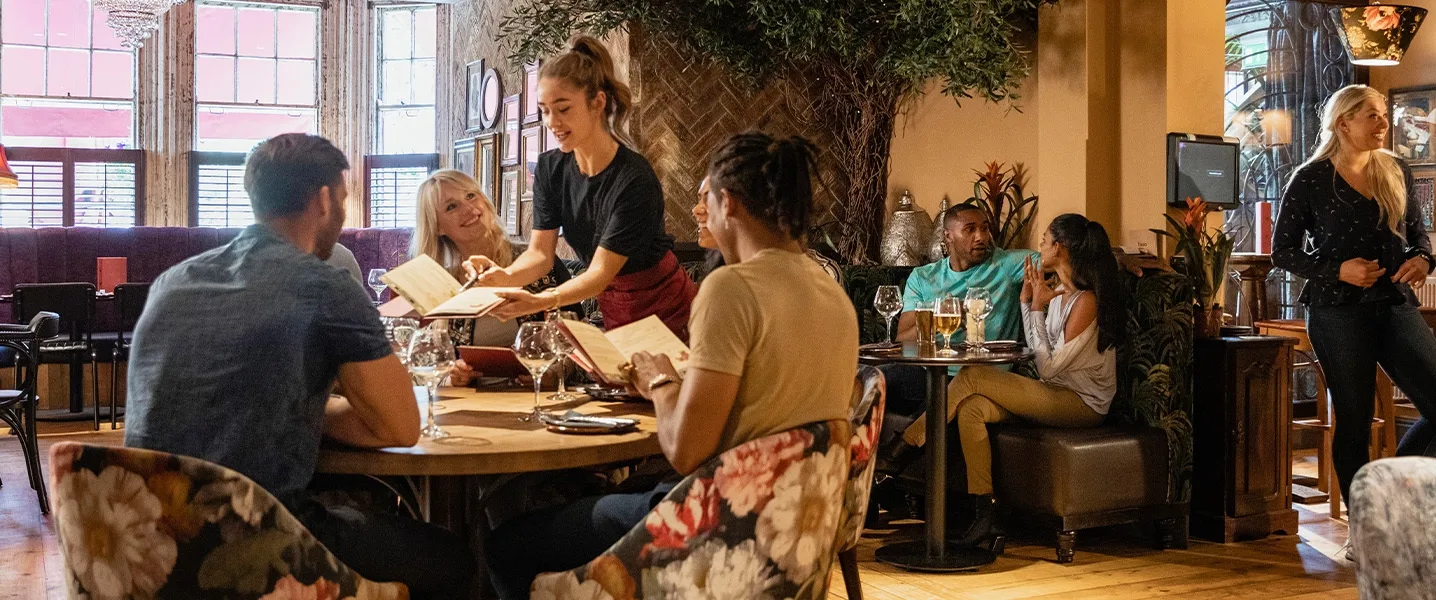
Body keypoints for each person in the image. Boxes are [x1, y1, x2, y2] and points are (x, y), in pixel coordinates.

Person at [485, 131, 858, 598]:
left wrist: (659, 378)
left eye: (708, 201)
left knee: (507, 543)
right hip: (787, 536)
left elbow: (686, 452)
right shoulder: (831, 293)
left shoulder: (731, 288)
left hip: (716, 527)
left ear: (728, 203)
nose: (703, 212)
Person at [124, 133, 475, 600]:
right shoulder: (326, 287)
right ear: (324, 200)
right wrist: (309, 410)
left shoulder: (172, 282)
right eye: (344, 199)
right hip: (253, 541)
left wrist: (288, 407)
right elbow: (400, 426)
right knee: (452, 559)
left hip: (150, 548)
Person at [909, 213, 1126, 549]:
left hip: (1082, 403)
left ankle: (907, 444)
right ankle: (986, 514)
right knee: (972, 408)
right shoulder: (1059, 293)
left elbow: (1048, 368)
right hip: (1054, 393)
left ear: (1059, 248)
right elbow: (1039, 347)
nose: (1040, 246)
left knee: (972, 374)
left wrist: (1036, 309)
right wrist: (1028, 302)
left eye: (1045, 240)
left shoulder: (1085, 301)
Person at [1271, 84, 1436, 526]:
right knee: (1355, 418)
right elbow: (1282, 251)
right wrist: (1337, 270)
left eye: (1383, 115)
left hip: (1395, 304)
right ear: (1343, 122)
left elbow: (1417, 235)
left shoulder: (1396, 169)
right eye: (1372, 115)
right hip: (1336, 310)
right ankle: (1365, 527)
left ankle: (1389, 490)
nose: (1383, 123)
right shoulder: (1310, 179)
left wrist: (1423, 259)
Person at [467, 35, 698, 338]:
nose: (552, 121)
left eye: (563, 109)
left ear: (597, 103)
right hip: (615, 307)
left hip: (670, 309)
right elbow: (540, 255)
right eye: (545, 110)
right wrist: (505, 276)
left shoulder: (634, 178)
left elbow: (600, 272)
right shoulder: (550, 168)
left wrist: (542, 300)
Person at [875, 205, 1033, 467]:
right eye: (970, 230)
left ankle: (887, 467)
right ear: (948, 236)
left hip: (978, 377)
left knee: (937, 406)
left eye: (984, 228)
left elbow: (1063, 259)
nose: (981, 236)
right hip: (926, 371)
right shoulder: (924, 276)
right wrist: (940, 319)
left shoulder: (1006, 265)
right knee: (868, 379)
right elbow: (904, 338)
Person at [410, 169, 574, 384]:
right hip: (469, 401)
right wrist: (450, 377)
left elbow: (580, 337)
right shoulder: (440, 282)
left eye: (471, 196)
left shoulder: (538, 261)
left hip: (538, 396)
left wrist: (553, 374)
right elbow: (419, 366)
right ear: (438, 227)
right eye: (452, 206)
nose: (469, 209)